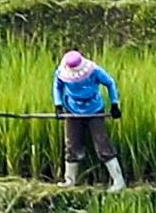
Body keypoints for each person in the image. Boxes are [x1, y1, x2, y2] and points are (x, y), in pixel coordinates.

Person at [52, 50, 125, 191]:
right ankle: (69, 180)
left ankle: (118, 181)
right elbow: (57, 87)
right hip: (72, 110)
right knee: (71, 144)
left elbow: (110, 83)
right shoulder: (61, 73)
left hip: (94, 110)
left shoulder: (94, 71)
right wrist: (58, 105)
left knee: (102, 144)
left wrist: (115, 104)